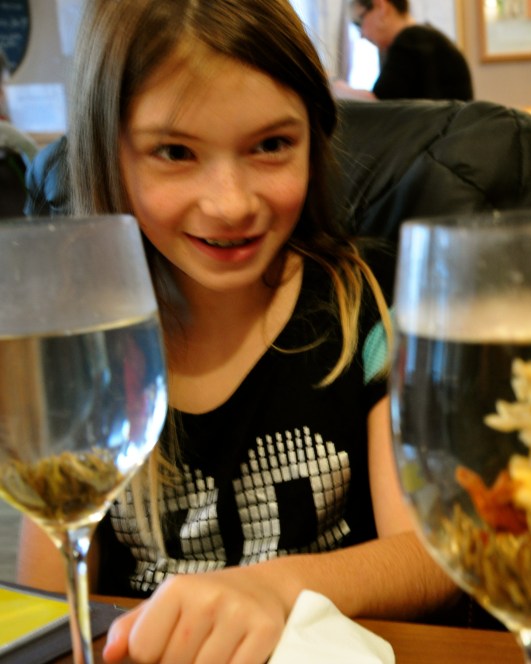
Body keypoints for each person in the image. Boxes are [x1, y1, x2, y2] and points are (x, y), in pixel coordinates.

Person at [15, 0, 459, 662]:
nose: (230, 204)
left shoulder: (364, 302)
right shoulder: (82, 340)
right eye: (174, 152)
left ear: (314, 138)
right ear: (110, 156)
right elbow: (49, 600)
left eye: (271, 145)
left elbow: (433, 556)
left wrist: (274, 590)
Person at [333, 0, 473, 102]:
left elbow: (380, 104)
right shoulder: (427, 39)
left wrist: (336, 88)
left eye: (360, 20)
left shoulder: (410, 40)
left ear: (381, 7)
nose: (362, 34)